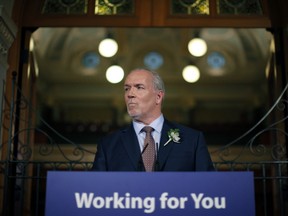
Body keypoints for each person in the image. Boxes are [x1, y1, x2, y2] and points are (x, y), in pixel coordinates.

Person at [92, 68, 214, 171]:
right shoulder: (108, 145)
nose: (130, 94)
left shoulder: (192, 140)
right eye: (127, 89)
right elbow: (96, 190)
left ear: (158, 97)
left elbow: (209, 187)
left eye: (139, 87)